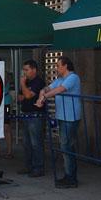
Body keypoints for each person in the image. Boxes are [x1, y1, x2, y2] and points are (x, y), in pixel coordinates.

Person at [36, 56, 81, 189]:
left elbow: (59, 90)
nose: (56, 68)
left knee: (67, 146)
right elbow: (48, 88)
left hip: (70, 117)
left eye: (58, 66)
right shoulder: (60, 79)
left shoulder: (73, 78)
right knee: (64, 146)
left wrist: (44, 97)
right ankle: (69, 175)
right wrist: (42, 93)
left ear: (65, 66)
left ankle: (71, 177)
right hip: (63, 116)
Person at [18, 59, 46, 177]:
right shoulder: (27, 82)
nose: (24, 72)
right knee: (26, 143)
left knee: (36, 143)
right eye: (23, 70)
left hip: (35, 116)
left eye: (26, 69)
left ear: (34, 70)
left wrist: (23, 86)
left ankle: (38, 167)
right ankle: (28, 166)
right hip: (25, 114)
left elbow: (28, 95)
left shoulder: (38, 82)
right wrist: (25, 92)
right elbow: (20, 97)